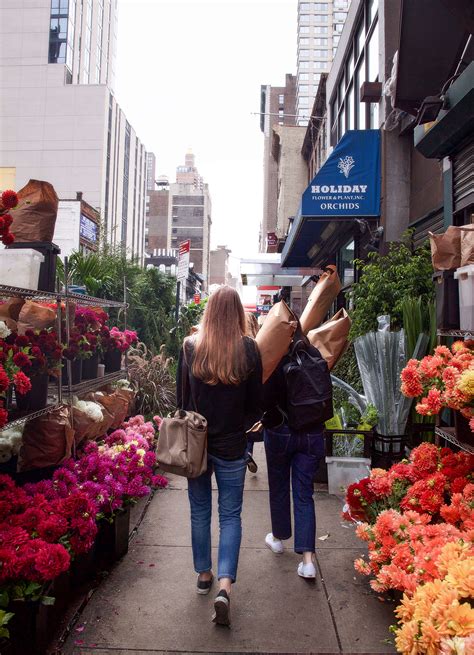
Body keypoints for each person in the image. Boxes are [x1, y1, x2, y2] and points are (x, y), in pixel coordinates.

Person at [177, 286, 263, 626]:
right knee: (231, 516)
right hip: (232, 445)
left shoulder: (190, 346)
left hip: (197, 445)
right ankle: (225, 586)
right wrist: (242, 430)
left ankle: (203, 574)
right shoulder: (249, 350)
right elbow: (256, 404)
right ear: (238, 313)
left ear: (209, 311)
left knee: (199, 510)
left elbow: (181, 400)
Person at [262, 330, 326, 579]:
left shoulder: (275, 359)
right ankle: (308, 561)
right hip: (311, 435)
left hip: (280, 433)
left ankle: (278, 538)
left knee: (278, 487)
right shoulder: (315, 355)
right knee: (304, 494)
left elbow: (264, 400)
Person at [244, 312, 261, 474]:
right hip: (251, 404)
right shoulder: (257, 346)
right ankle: (247, 451)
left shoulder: (237, 346)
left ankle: (246, 452)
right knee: (251, 426)